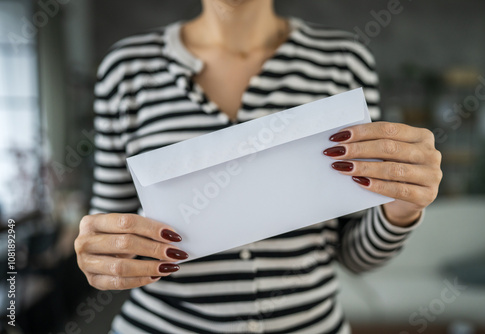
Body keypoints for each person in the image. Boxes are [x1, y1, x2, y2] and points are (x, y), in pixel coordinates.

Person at [74, 0, 442, 333]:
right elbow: (114, 240)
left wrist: (401, 210)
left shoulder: (343, 60)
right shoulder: (126, 70)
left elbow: (354, 256)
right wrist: (104, 255)